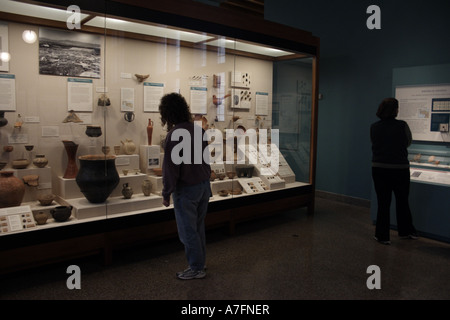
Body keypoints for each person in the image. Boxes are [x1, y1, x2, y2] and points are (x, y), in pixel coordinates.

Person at [159, 92, 212, 279]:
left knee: (188, 231)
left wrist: (166, 192)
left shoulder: (174, 135)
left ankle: (196, 268)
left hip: (187, 190)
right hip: (203, 186)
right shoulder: (199, 130)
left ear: (167, 113)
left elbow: (170, 169)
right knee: (198, 228)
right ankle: (200, 264)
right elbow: (206, 161)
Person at [370, 97, 418, 245]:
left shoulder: (374, 127)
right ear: (394, 110)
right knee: (402, 200)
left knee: (383, 203)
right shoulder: (402, 125)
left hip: (379, 168)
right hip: (400, 169)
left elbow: (375, 143)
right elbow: (408, 142)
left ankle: (382, 235)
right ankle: (406, 231)